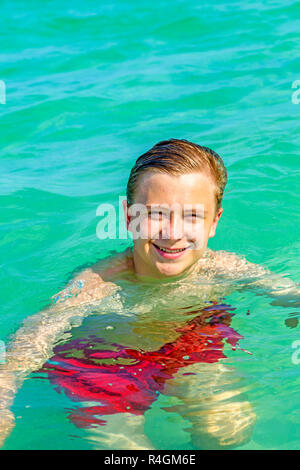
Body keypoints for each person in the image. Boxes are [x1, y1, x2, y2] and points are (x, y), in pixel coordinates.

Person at [0, 138, 298, 449]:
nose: (172, 233)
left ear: (214, 222)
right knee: (127, 447)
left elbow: (288, 293)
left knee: (228, 428)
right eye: (156, 214)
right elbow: (36, 334)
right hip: (105, 365)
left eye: (192, 216)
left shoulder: (223, 268)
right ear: (129, 217)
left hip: (187, 347)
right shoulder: (101, 282)